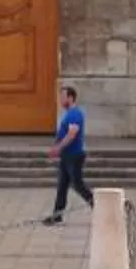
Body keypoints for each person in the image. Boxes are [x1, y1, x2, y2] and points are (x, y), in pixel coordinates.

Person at [42, 83, 94, 225]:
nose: (60, 99)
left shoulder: (74, 114)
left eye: (62, 96)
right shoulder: (69, 114)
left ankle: (99, 207)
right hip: (67, 156)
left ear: (70, 98)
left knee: (78, 184)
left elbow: (72, 133)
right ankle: (57, 215)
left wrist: (58, 148)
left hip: (74, 155)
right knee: (62, 186)